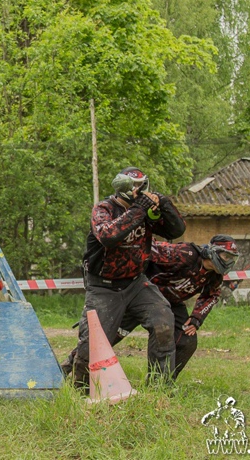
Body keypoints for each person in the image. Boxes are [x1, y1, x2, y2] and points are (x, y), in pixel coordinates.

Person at [62, 235, 241, 380]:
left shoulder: (214, 276)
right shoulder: (185, 253)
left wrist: (196, 318)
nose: (228, 262)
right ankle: (67, 369)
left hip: (172, 304)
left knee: (187, 341)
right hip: (140, 297)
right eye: (226, 256)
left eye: (231, 258)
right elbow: (150, 249)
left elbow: (211, 295)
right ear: (213, 252)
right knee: (105, 338)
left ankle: (161, 382)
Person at [72, 167, 186, 390]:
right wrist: (138, 209)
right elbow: (108, 235)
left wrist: (164, 205)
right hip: (103, 286)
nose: (139, 191)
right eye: (135, 186)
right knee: (93, 342)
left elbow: (176, 230)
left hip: (136, 283)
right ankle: (79, 389)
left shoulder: (144, 211)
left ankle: (160, 388)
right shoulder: (104, 208)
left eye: (142, 185)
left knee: (163, 322)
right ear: (122, 187)